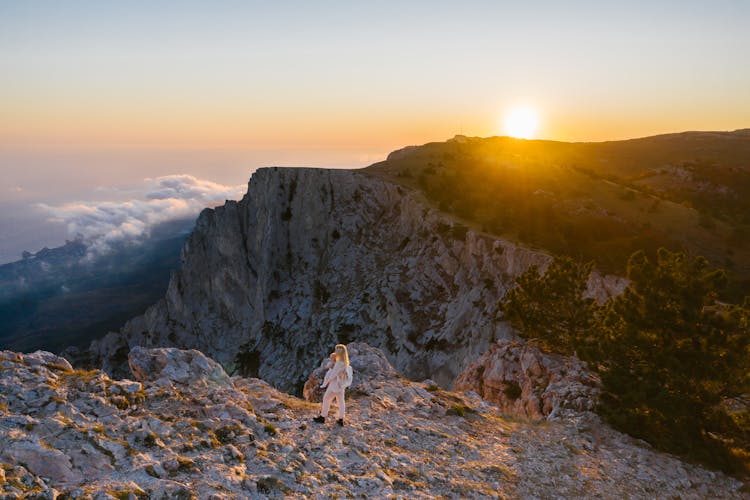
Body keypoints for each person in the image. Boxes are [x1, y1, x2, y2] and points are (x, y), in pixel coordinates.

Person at [313, 344, 352, 426]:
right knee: (341, 402)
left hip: (334, 385)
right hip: (341, 385)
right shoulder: (345, 363)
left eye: (336, 350)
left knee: (326, 399)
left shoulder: (338, 363)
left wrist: (326, 381)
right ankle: (341, 419)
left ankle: (322, 417)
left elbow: (333, 375)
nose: (335, 352)